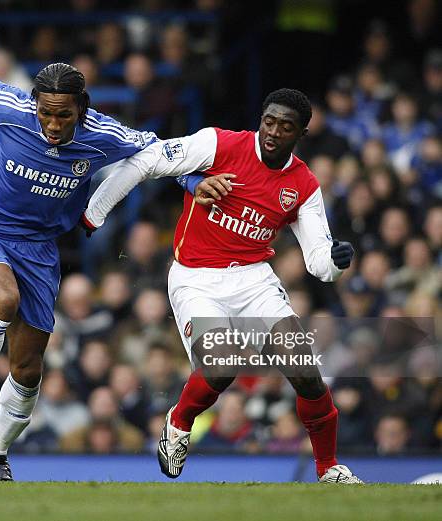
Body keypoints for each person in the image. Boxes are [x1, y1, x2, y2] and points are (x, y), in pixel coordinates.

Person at [82, 88, 363, 483]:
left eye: (286, 127)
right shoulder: (218, 143)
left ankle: (328, 468)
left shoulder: (304, 185)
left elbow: (318, 261)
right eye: (269, 121)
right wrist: (95, 213)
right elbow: (148, 160)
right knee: (223, 362)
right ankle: (179, 423)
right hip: (196, 276)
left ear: (301, 134)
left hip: (254, 280)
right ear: (260, 119)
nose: (273, 132)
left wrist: (334, 262)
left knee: (304, 369)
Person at [0, 33, 159, 481]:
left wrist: (193, 183)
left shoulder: (103, 136)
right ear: (35, 105)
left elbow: (157, 151)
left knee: (28, 367)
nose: (53, 124)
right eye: (46, 113)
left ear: (82, 111)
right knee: (2, 301)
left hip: (39, 251)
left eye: (64, 116)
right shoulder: (9, 108)